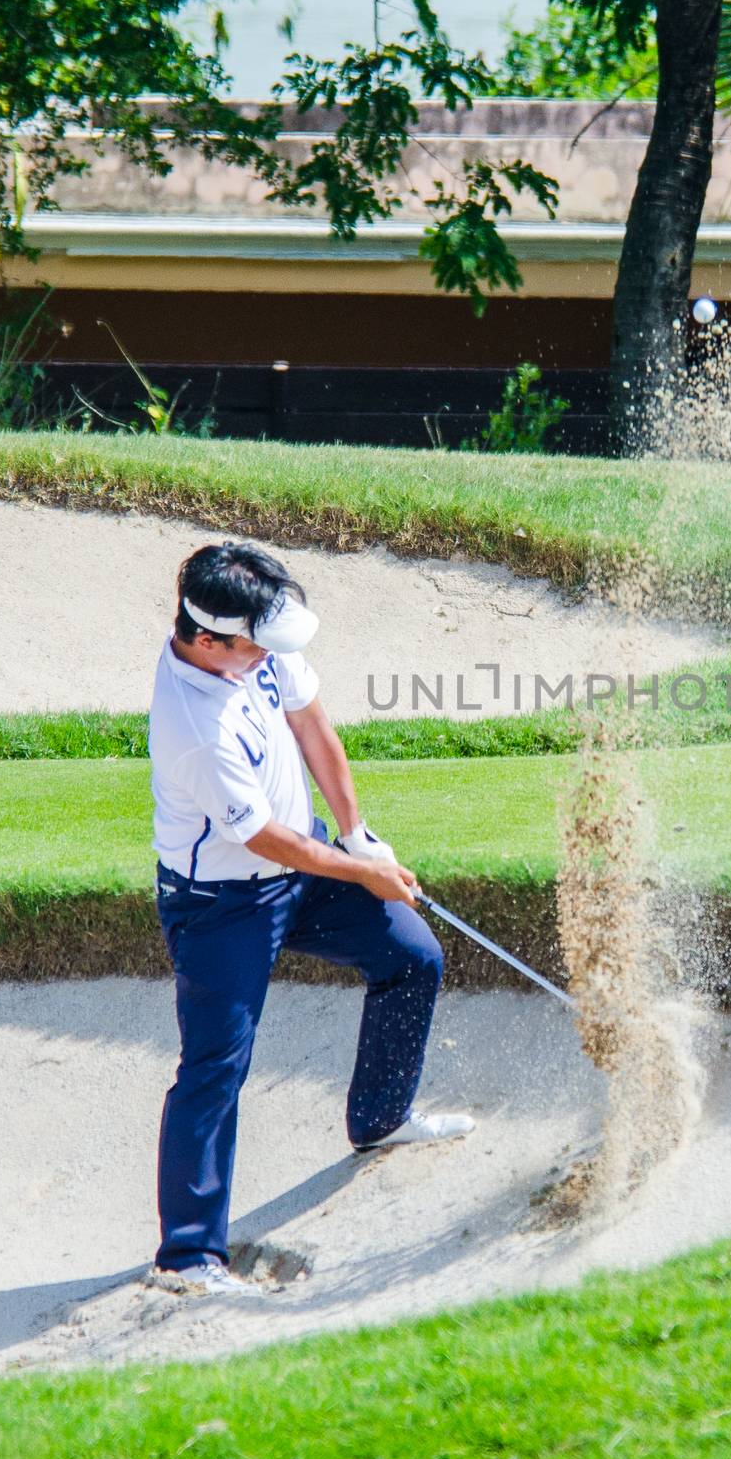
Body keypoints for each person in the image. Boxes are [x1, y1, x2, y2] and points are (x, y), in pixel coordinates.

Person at [146, 540, 473, 1298]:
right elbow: (259, 835)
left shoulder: (256, 645)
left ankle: (381, 1118)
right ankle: (188, 1259)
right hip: (220, 905)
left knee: (411, 958)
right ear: (206, 639)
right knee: (215, 1066)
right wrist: (364, 874)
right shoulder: (194, 724)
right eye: (254, 646)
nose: (267, 657)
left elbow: (315, 732)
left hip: (306, 868)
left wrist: (359, 836)